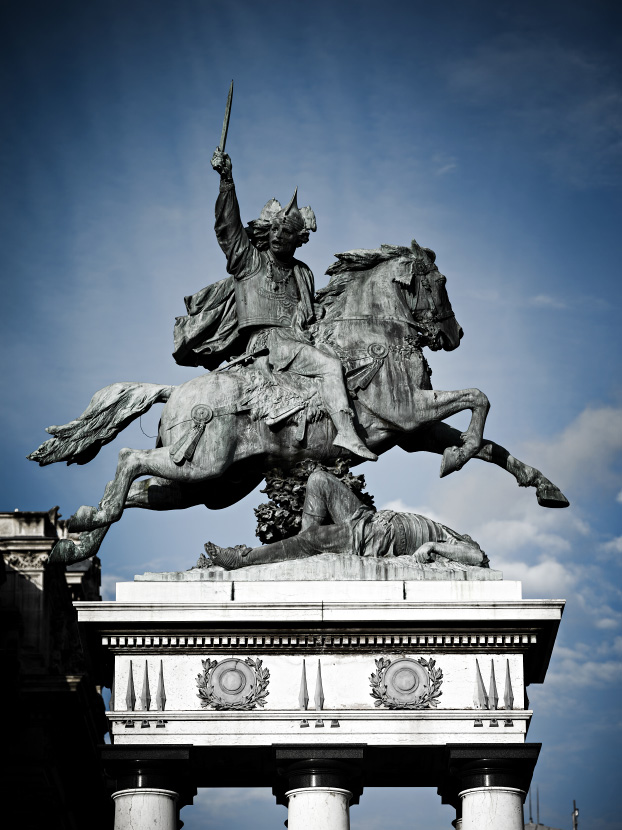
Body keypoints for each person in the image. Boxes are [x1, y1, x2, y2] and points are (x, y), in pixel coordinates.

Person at [173, 149, 376, 462]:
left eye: (288, 232)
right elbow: (228, 228)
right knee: (330, 367)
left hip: (301, 340)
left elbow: (311, 311)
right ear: (268, 232)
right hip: (270, 342)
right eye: (277, 229)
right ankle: (346, 433)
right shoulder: (250, 261)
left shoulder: (303, 271)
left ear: (298, 240)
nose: (280, 235)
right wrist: (227, 181)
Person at [204, 470, 488, 570]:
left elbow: (475, 556)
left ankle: (244, 558)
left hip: (382, 538)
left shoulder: (461, 547)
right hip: (372, 518)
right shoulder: (451, 533)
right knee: (318, 479)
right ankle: (302, 551)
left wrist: (434, 548)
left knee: (314, 539)